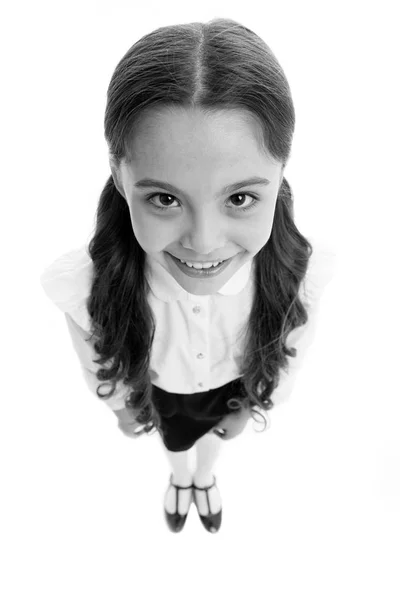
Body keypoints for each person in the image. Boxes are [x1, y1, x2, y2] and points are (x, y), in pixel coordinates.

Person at [40, 17, 336, 534]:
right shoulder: (86, 287)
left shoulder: (300, 273)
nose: (203, 242)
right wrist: (121, 408)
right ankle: (180, 478)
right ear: (119, 175)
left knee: (216, 443)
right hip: (162, 393)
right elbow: (95, 361)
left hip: (234, 387)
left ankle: (204, 478)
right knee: (175, 441)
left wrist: (260, 400)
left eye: (240, 198)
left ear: (281, 174)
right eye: (164, 198)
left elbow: (295, 346)